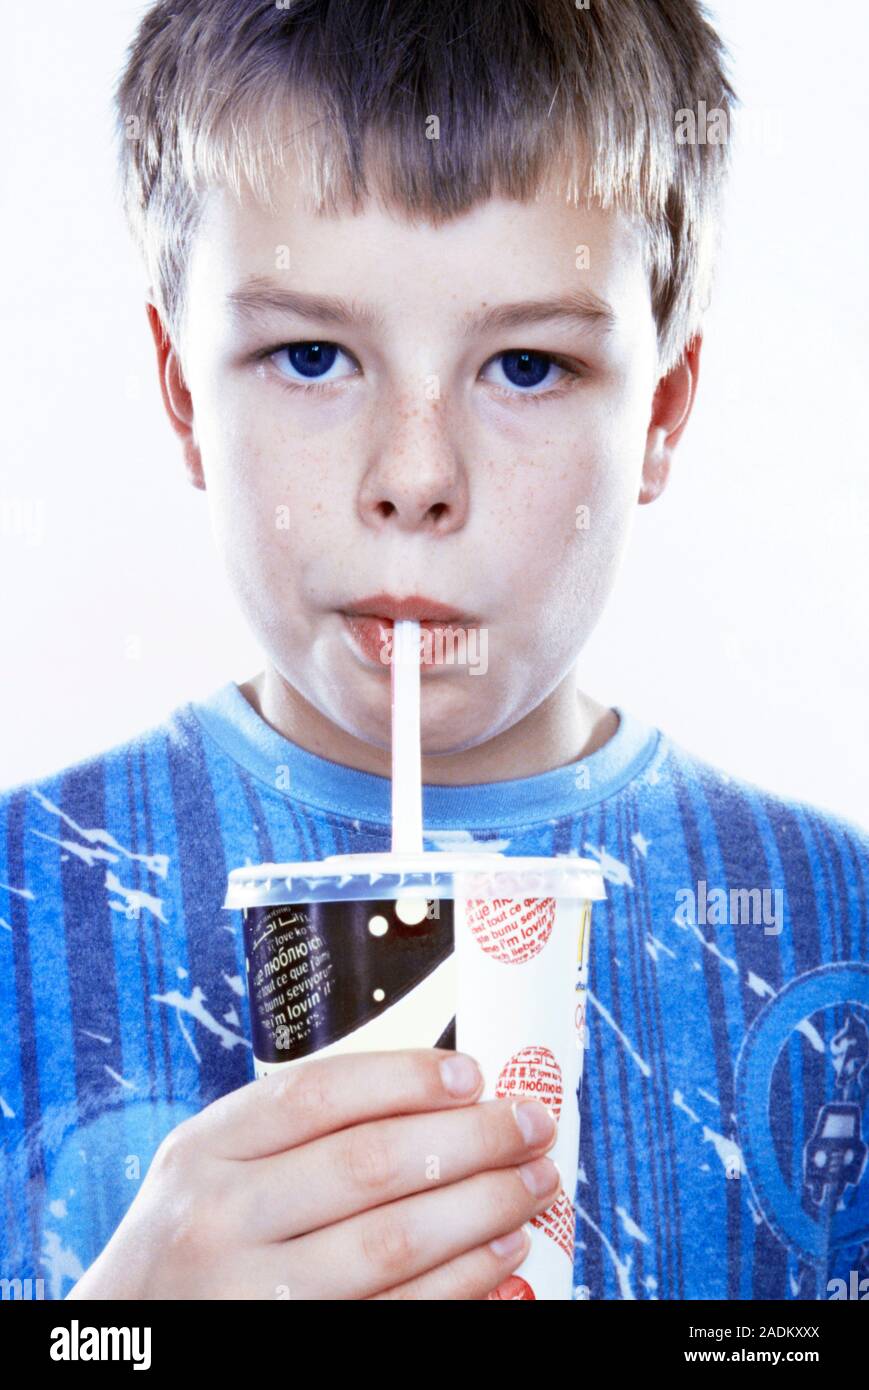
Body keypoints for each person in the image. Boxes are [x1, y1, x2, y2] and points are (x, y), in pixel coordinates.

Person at [2, 0, 867, 1302]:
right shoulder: (25, 904)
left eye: (525, 364)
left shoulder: (831, 921)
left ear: (660, 413)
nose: (413, 477)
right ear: (183, 389)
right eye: (310, 354)